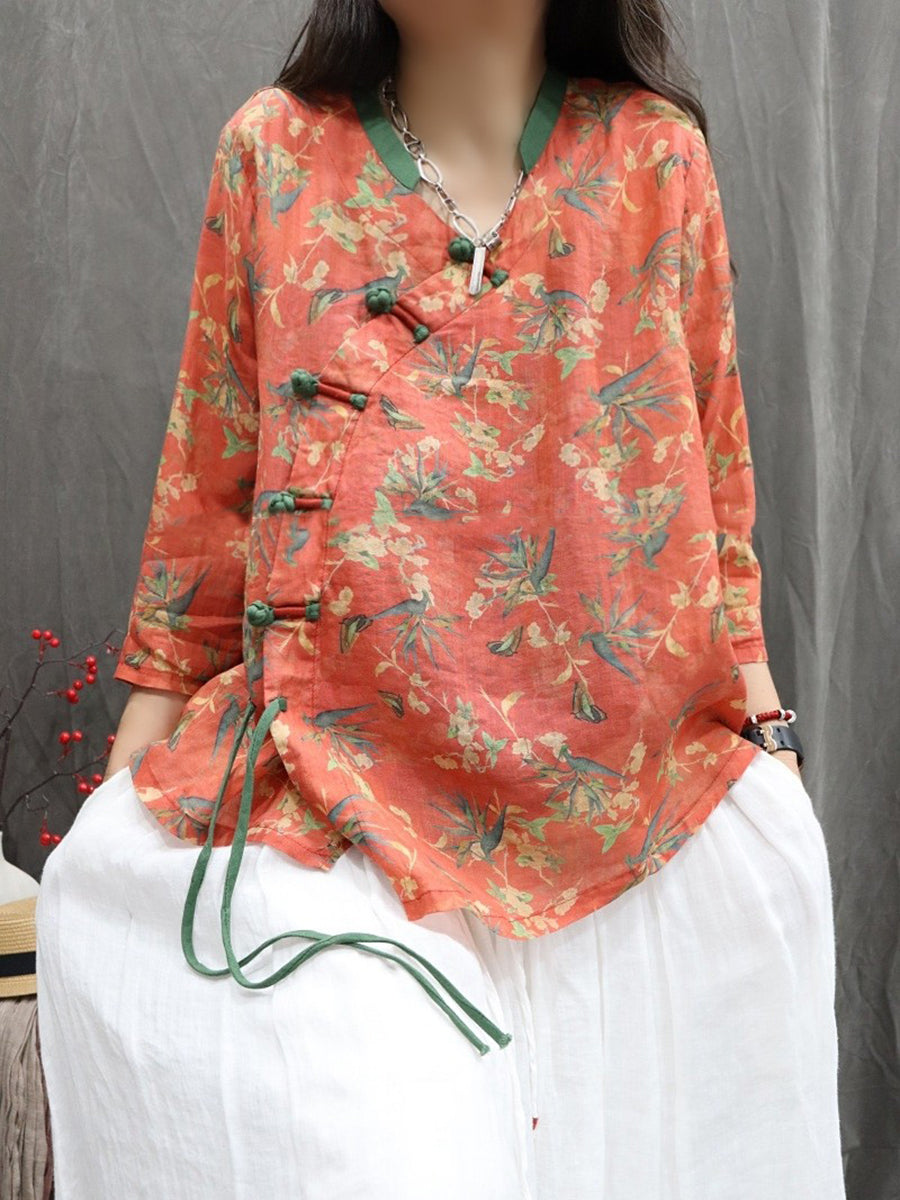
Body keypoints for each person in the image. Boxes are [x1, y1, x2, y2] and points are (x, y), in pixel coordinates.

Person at [34, 0, 846, 1196]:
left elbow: (712, 475)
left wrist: (763, 722)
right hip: (332, 784)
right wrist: (136, 754)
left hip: (628, 784)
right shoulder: (274, 149)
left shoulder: (654, 156)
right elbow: (212, 473)